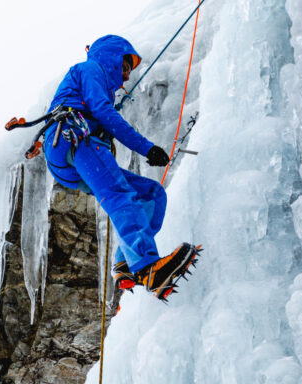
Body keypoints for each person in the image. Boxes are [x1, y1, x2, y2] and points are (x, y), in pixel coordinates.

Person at [42, 34, 199, 300]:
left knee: (151, 194)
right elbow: (103, 112)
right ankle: (150, 269)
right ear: (112, 57)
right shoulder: (89, 69)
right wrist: (146, 148)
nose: (126, 77)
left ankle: (125, 263)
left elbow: (100, 112)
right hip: (74, 136)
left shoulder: (94, 81)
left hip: (71, 156)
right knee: (119, 195)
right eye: (125, 67)